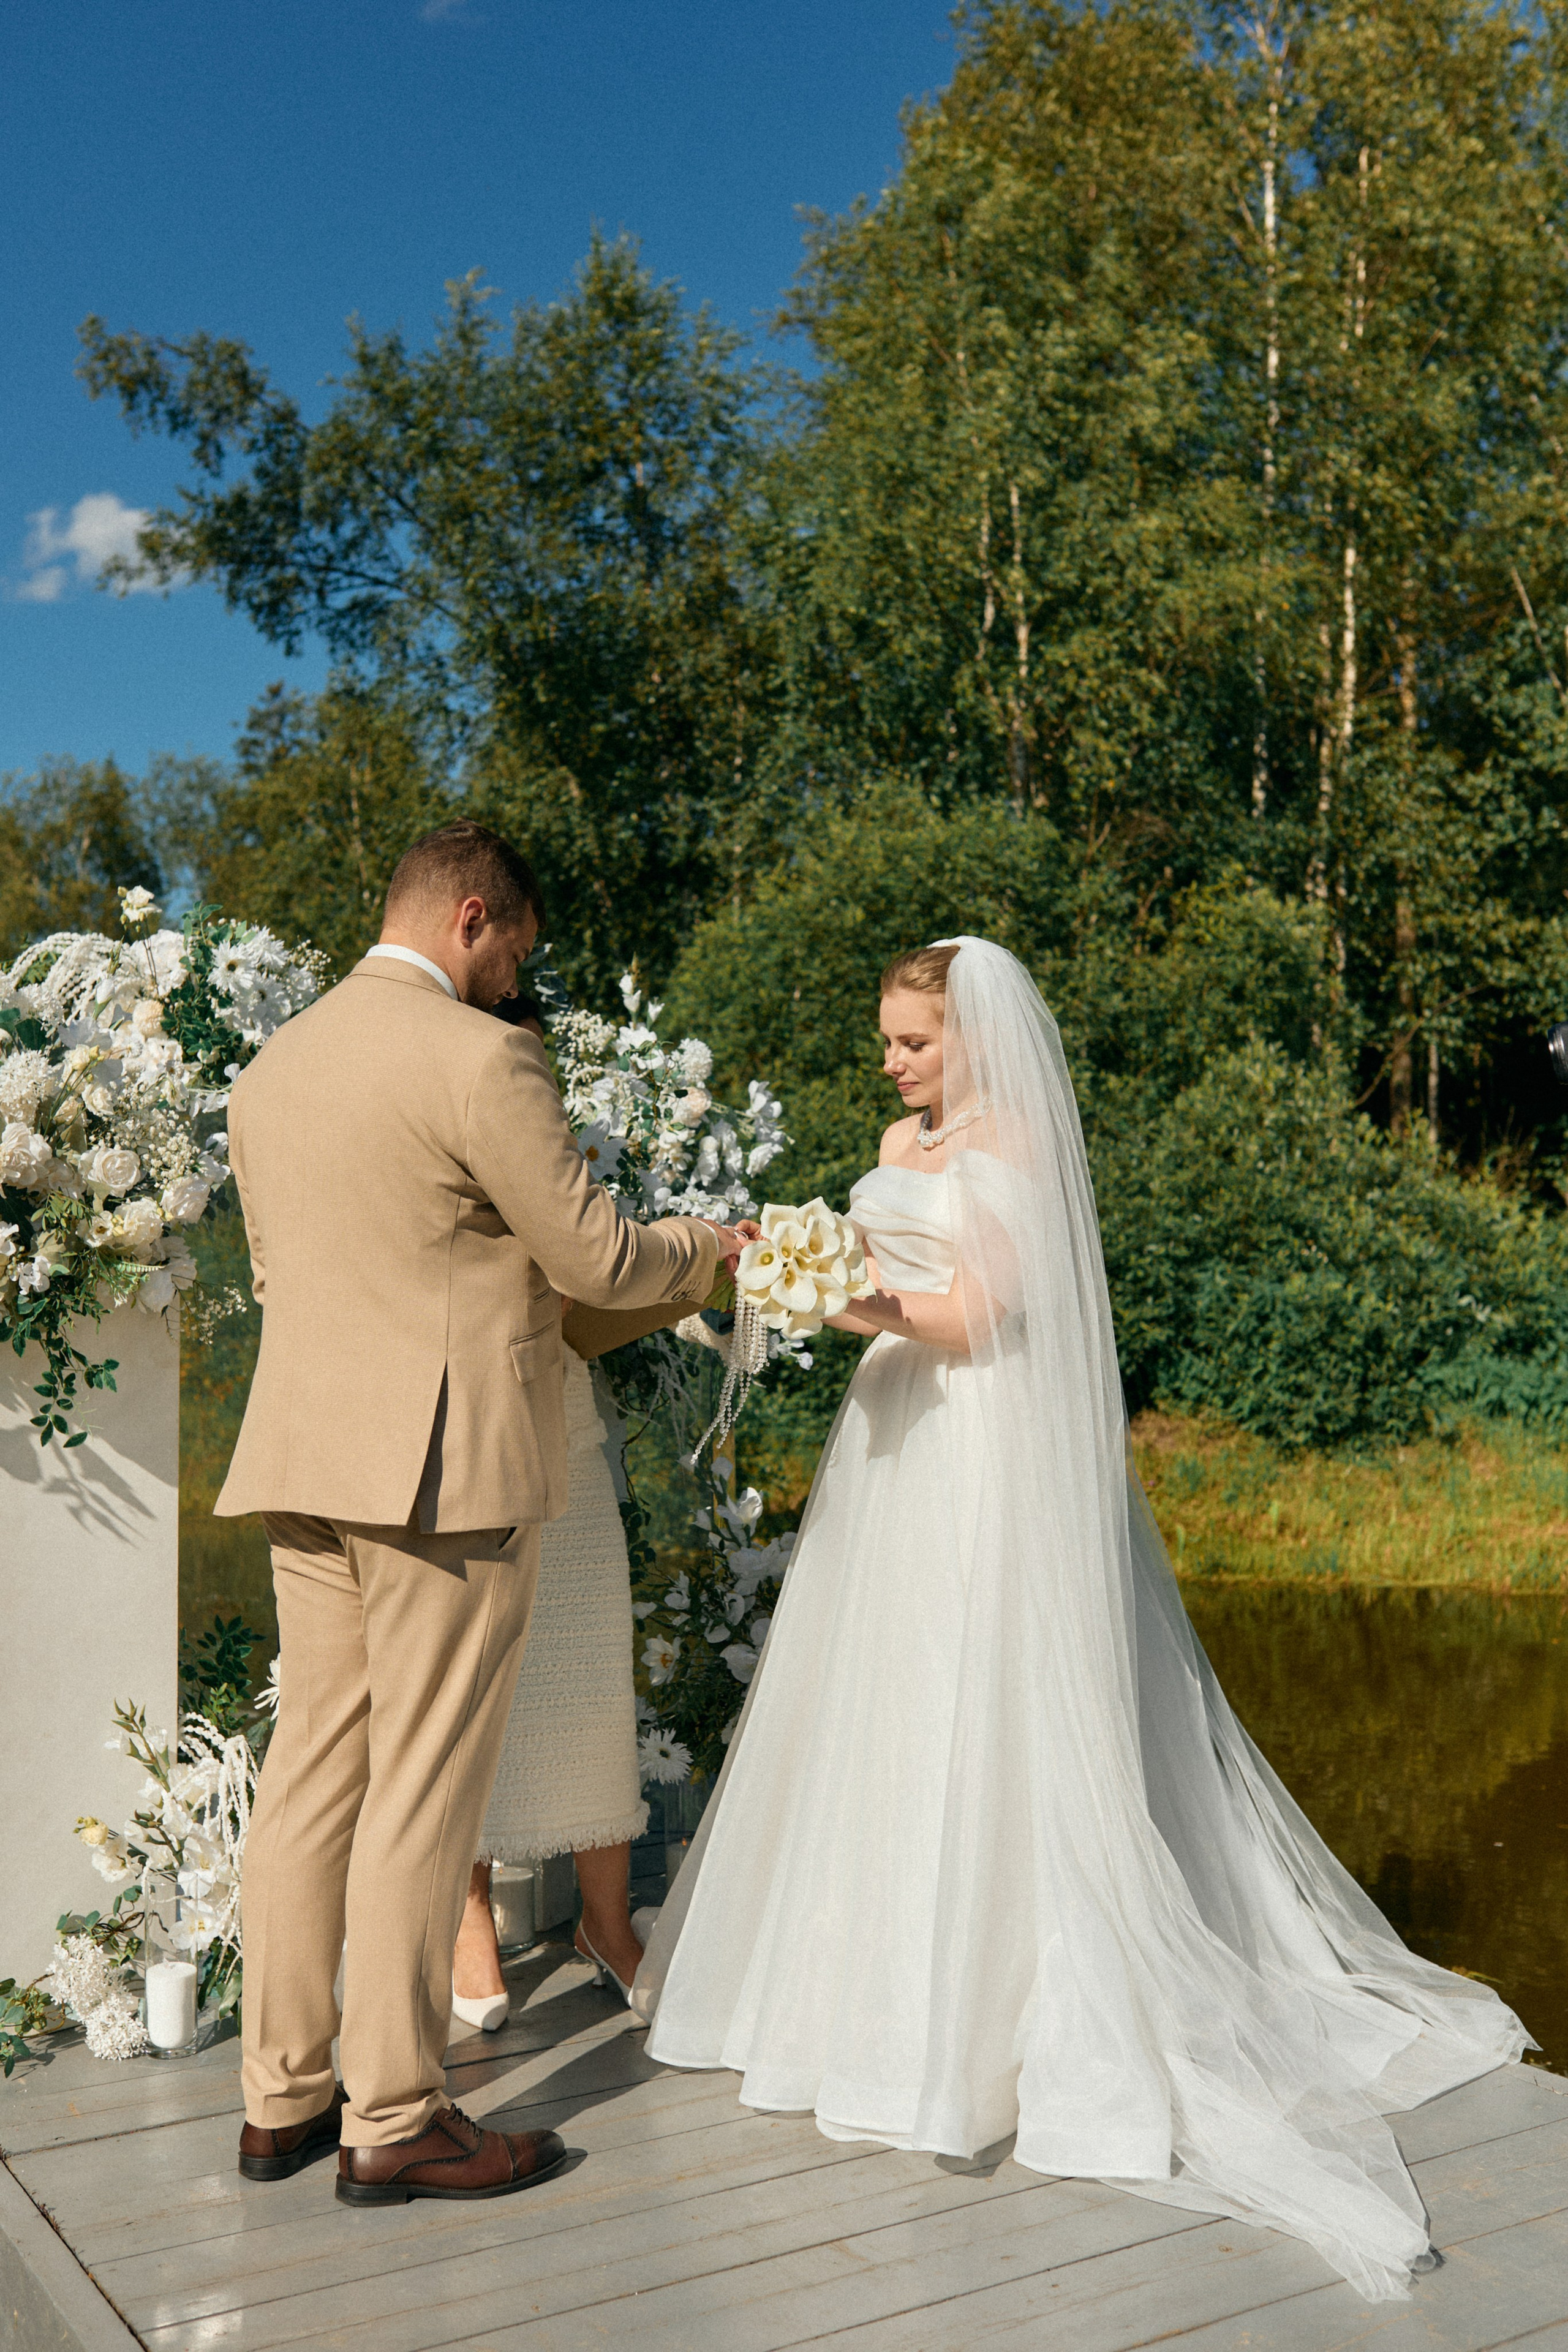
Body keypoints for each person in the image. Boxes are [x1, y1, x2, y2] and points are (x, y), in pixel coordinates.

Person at [636, 937, 1532, 2301]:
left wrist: (842, 1296)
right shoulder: (897, 1134)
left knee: (978, 1698)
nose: (890, 1064)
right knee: (878, 1704)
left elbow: (980, 1310)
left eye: (912, 1043)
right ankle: (845, 2013)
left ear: (977, 1039)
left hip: (979, 1442)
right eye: (886, 1040)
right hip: (892, 1441)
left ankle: (985, 2027)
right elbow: (895, 1287)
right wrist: (805, 1277)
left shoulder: (1022, 1147)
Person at [219, 821, 745, 2207]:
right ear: (470, 918)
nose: (518, 980)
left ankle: (281, 2097)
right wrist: (712, 1249)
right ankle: (393, 2117)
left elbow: (292, 1277)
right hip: (441, 1476)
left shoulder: (271, 1072)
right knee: (421, 1788)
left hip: (302, 1459)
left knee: (312, 1772)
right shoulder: (479, 1056)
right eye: (517, 949)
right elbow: (600, 1256)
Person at [451, 994, 669, 2028]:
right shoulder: (440, 1135)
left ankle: (604, 1921)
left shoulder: (566, 1163)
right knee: (468, 1685)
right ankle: (466, 1919)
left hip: (566, 1435)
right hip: (462, 1441)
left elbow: (591, 1272)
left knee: (589, 1674)